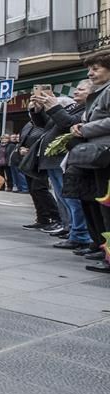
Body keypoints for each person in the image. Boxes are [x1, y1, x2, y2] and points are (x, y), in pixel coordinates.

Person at [33, 84, 94, 252]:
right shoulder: (75, 107)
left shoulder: (88, 108)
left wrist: (54, 107)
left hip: (65, 158)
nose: (76, 91)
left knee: (72, 199)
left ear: (92, 91)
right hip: (53, 160)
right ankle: (73, 230)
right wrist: (38, 110)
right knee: (63, 199)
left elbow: (68, 123)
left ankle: (80, 234)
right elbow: (46, 126)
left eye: (81, 89)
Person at [72, 53, 110, 272]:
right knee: (102, 206)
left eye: (95, 68)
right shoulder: (101, 92)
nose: (90, 73)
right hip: (100, 156)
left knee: (106, 206)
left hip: (105, 154)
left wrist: (85, 128)